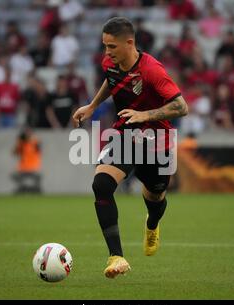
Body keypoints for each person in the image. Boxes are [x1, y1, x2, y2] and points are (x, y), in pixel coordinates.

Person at [72, 17, 188, 278]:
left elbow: (182, 107)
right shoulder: (109, 63)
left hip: (158, 141)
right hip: (125, 133)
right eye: (104, 46)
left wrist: (146, 115)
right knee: (101, 185)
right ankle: (116, 257)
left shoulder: (152, 70)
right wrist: (92, 106)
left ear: (129, 43)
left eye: (111, 47)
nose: (107, 52)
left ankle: (152, 224)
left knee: (155, 197)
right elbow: (111, 82)